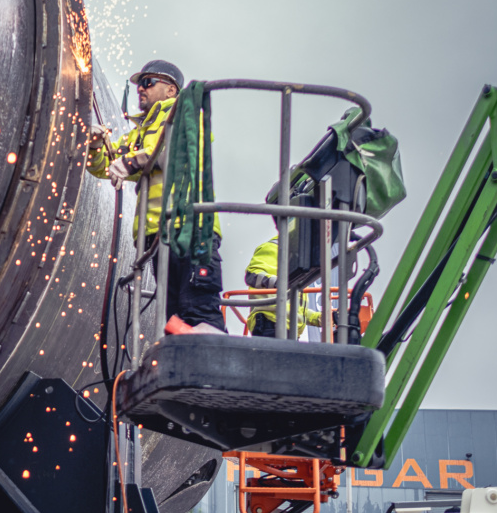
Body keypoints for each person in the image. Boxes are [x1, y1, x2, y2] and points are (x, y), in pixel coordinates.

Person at [86, 59, 226, 332]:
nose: (141, 88)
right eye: (140, 84)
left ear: (171, 89)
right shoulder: (140, 133)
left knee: (199, 311)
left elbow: (175, 151)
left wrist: (133, 161)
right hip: (160, 236)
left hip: (190, 228)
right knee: (174, 319)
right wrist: (94, 147)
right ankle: (185, 356)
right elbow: (106, 165)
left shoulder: (185, 112)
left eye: (148, 82)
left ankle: (211, 353)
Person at [244, 235, 322, 338]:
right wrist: (281, 283)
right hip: (271, 324)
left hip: (289, 330)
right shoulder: (274, 247)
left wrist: (318, 318)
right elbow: (252, 275)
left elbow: (293, 309)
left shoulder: (298, 263)